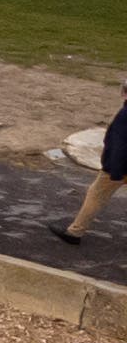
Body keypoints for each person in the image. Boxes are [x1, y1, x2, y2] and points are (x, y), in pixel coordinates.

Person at [59, 77, 127, 244]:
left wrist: (115, 172)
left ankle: (75, 232)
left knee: (95, 196)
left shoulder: (125, 116)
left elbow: (121, 145)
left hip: (118, 167)